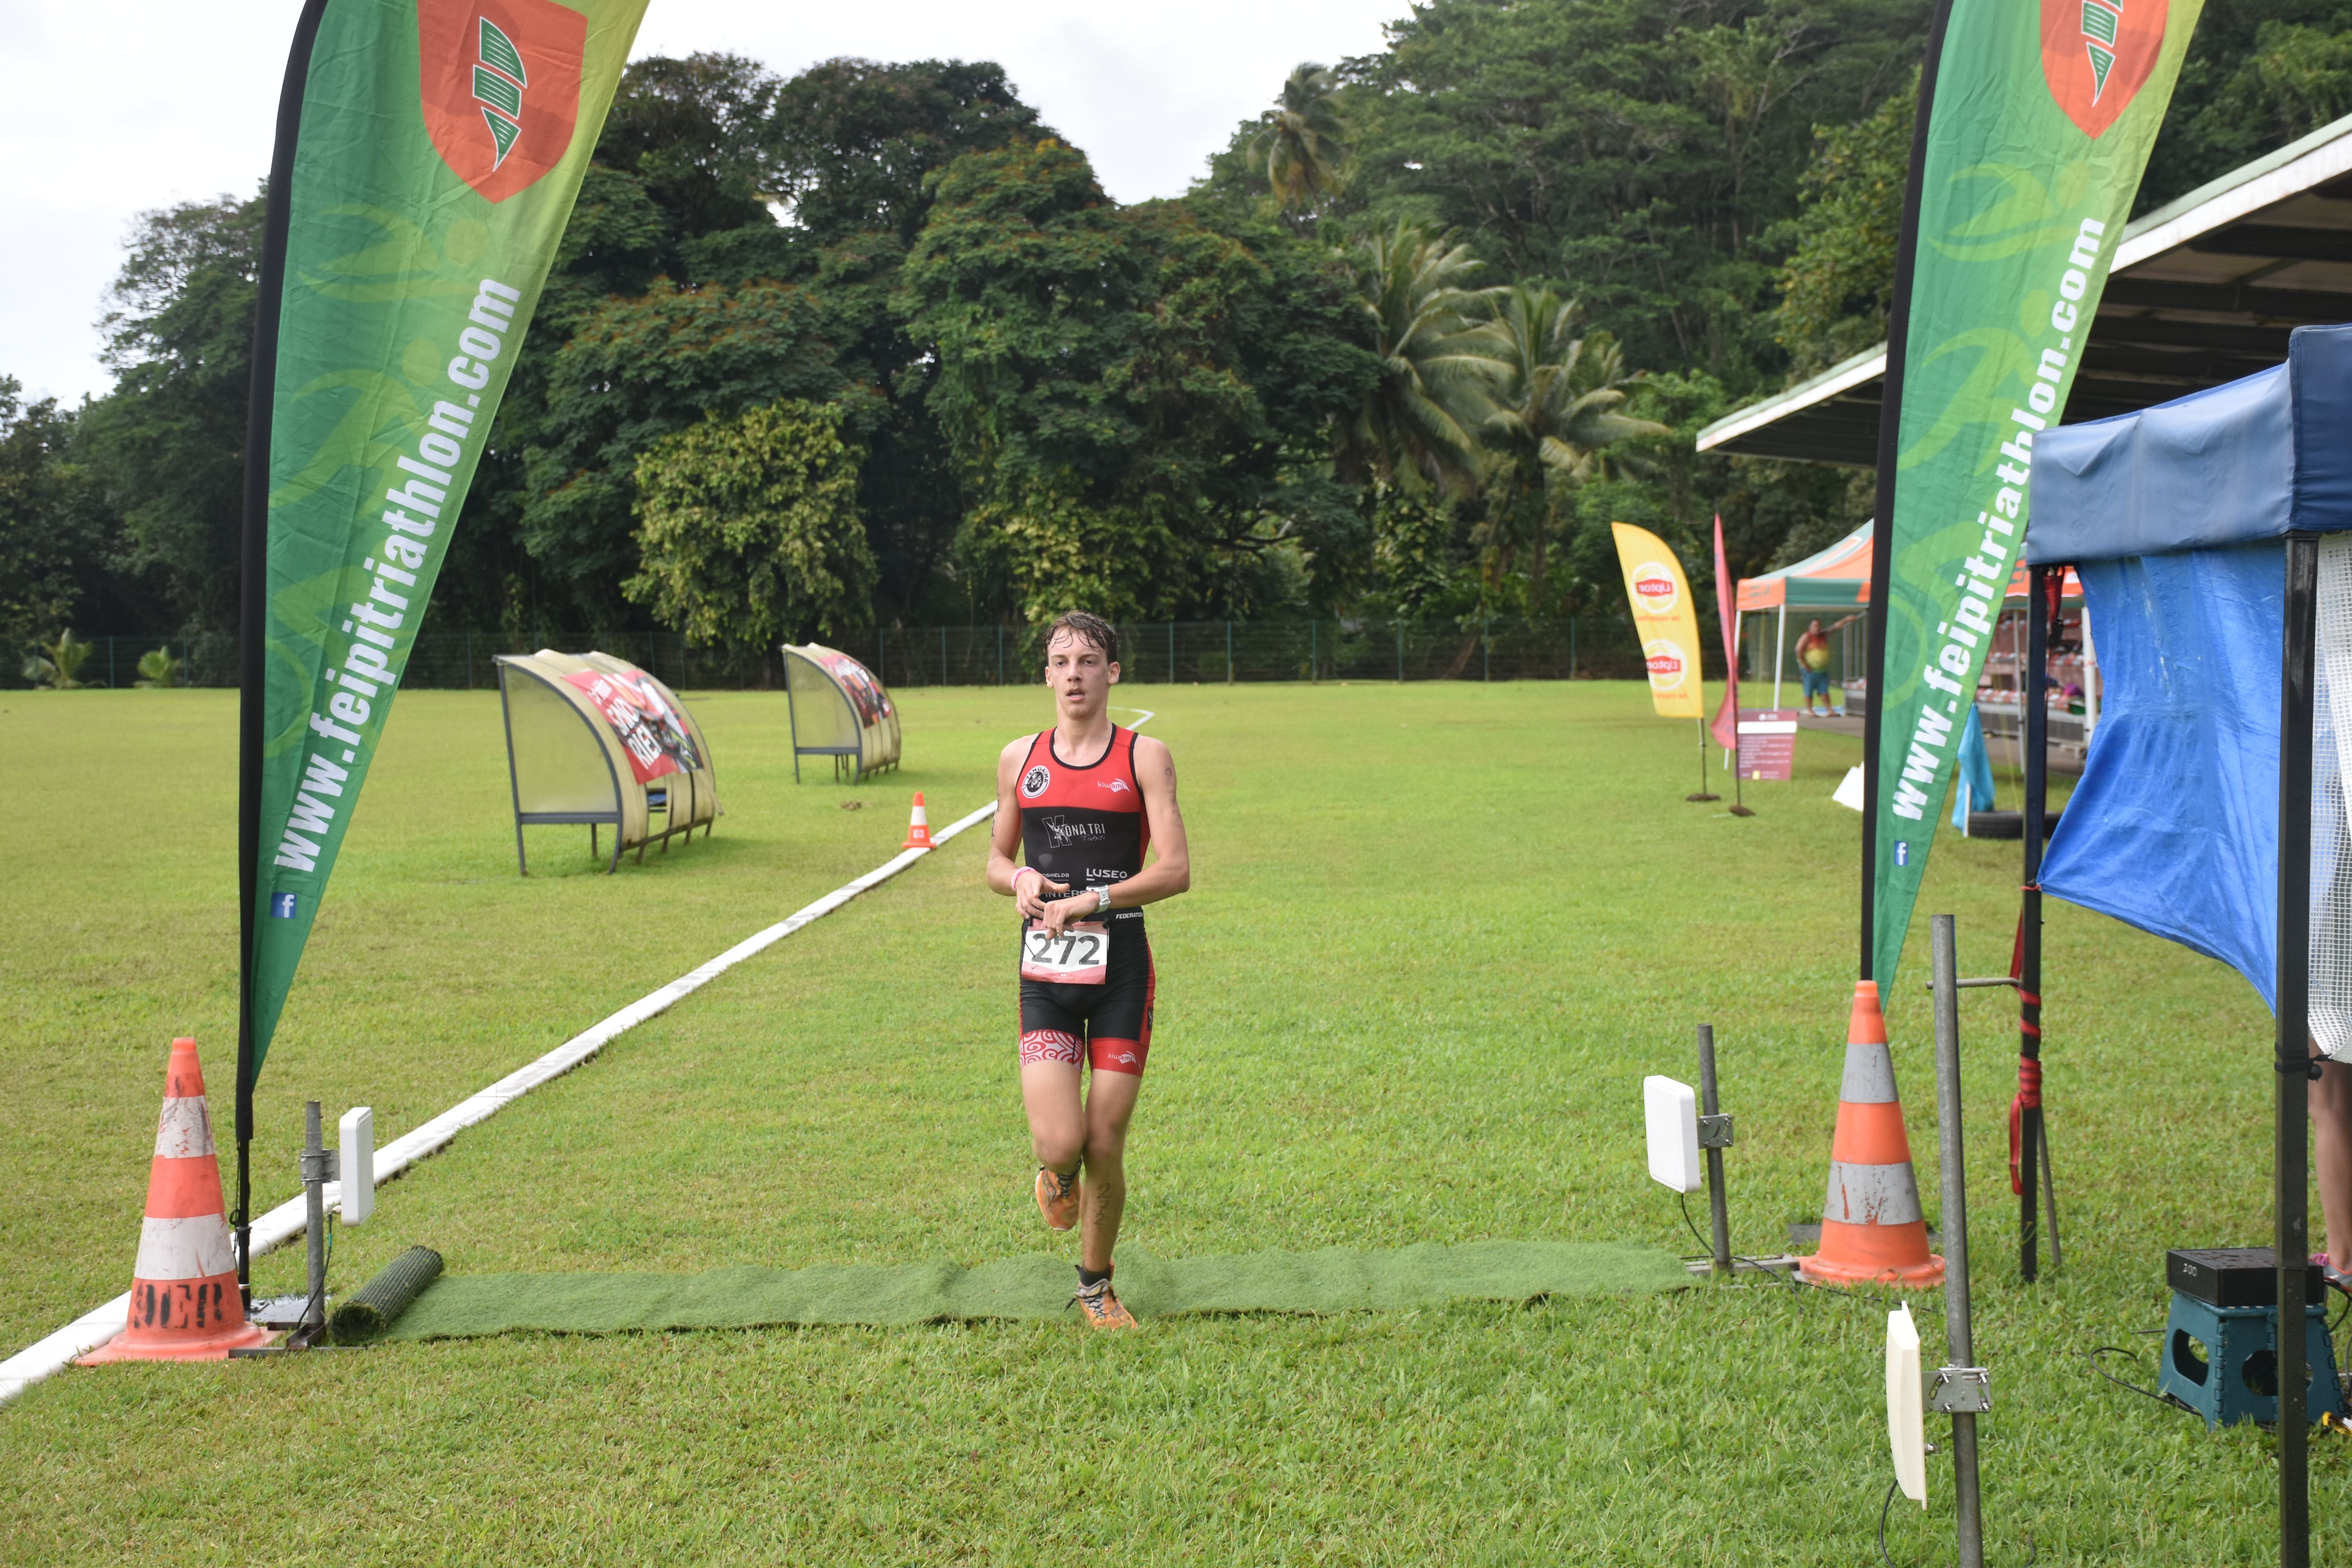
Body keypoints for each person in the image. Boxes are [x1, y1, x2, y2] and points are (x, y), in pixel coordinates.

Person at [986, 612, 1191, 1330]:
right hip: (1045, 973)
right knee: (1061, 1141)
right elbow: (995, 860)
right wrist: (1017, 883)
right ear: (1046, 674)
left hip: (1122, 970)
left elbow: (1175, 870)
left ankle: (1096, 1285)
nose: (1074, 673)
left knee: (1106, 1138)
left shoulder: (1145, 757)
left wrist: (1093, 900)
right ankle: (1056, 1174)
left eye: (1089, 660)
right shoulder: (1020, 758)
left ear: (1113, 673)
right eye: (1061, 661)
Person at [1792, 615, 1858, 717]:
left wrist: (1846, 620)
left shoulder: (1823, 635)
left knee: (1824, 690)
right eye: (1814, 626)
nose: (1817, 628)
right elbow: (1798, 650)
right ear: (1810, 627)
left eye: (1818, 626)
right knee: (1809, 690)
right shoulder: (1807, 637)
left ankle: (1829, 710)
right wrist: (1805, 665)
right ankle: (1810, 710)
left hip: (1822, 670)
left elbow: (1835, 627)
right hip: (1810, 670)